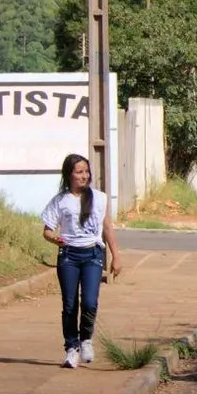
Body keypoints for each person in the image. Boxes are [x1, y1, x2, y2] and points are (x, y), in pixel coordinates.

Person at [40, 153, 122, 368]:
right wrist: (56, 239)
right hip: (68, 256)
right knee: (69, 304)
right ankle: (71, 347)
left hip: (92, 255)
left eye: (86, 171)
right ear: (69, 175)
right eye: (79, 172)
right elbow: (47, 231)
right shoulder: (60, 201)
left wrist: (116, 256)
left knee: (89, 302)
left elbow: (107, 228)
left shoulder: (99, 198)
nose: (84, 176)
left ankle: (86, 339)